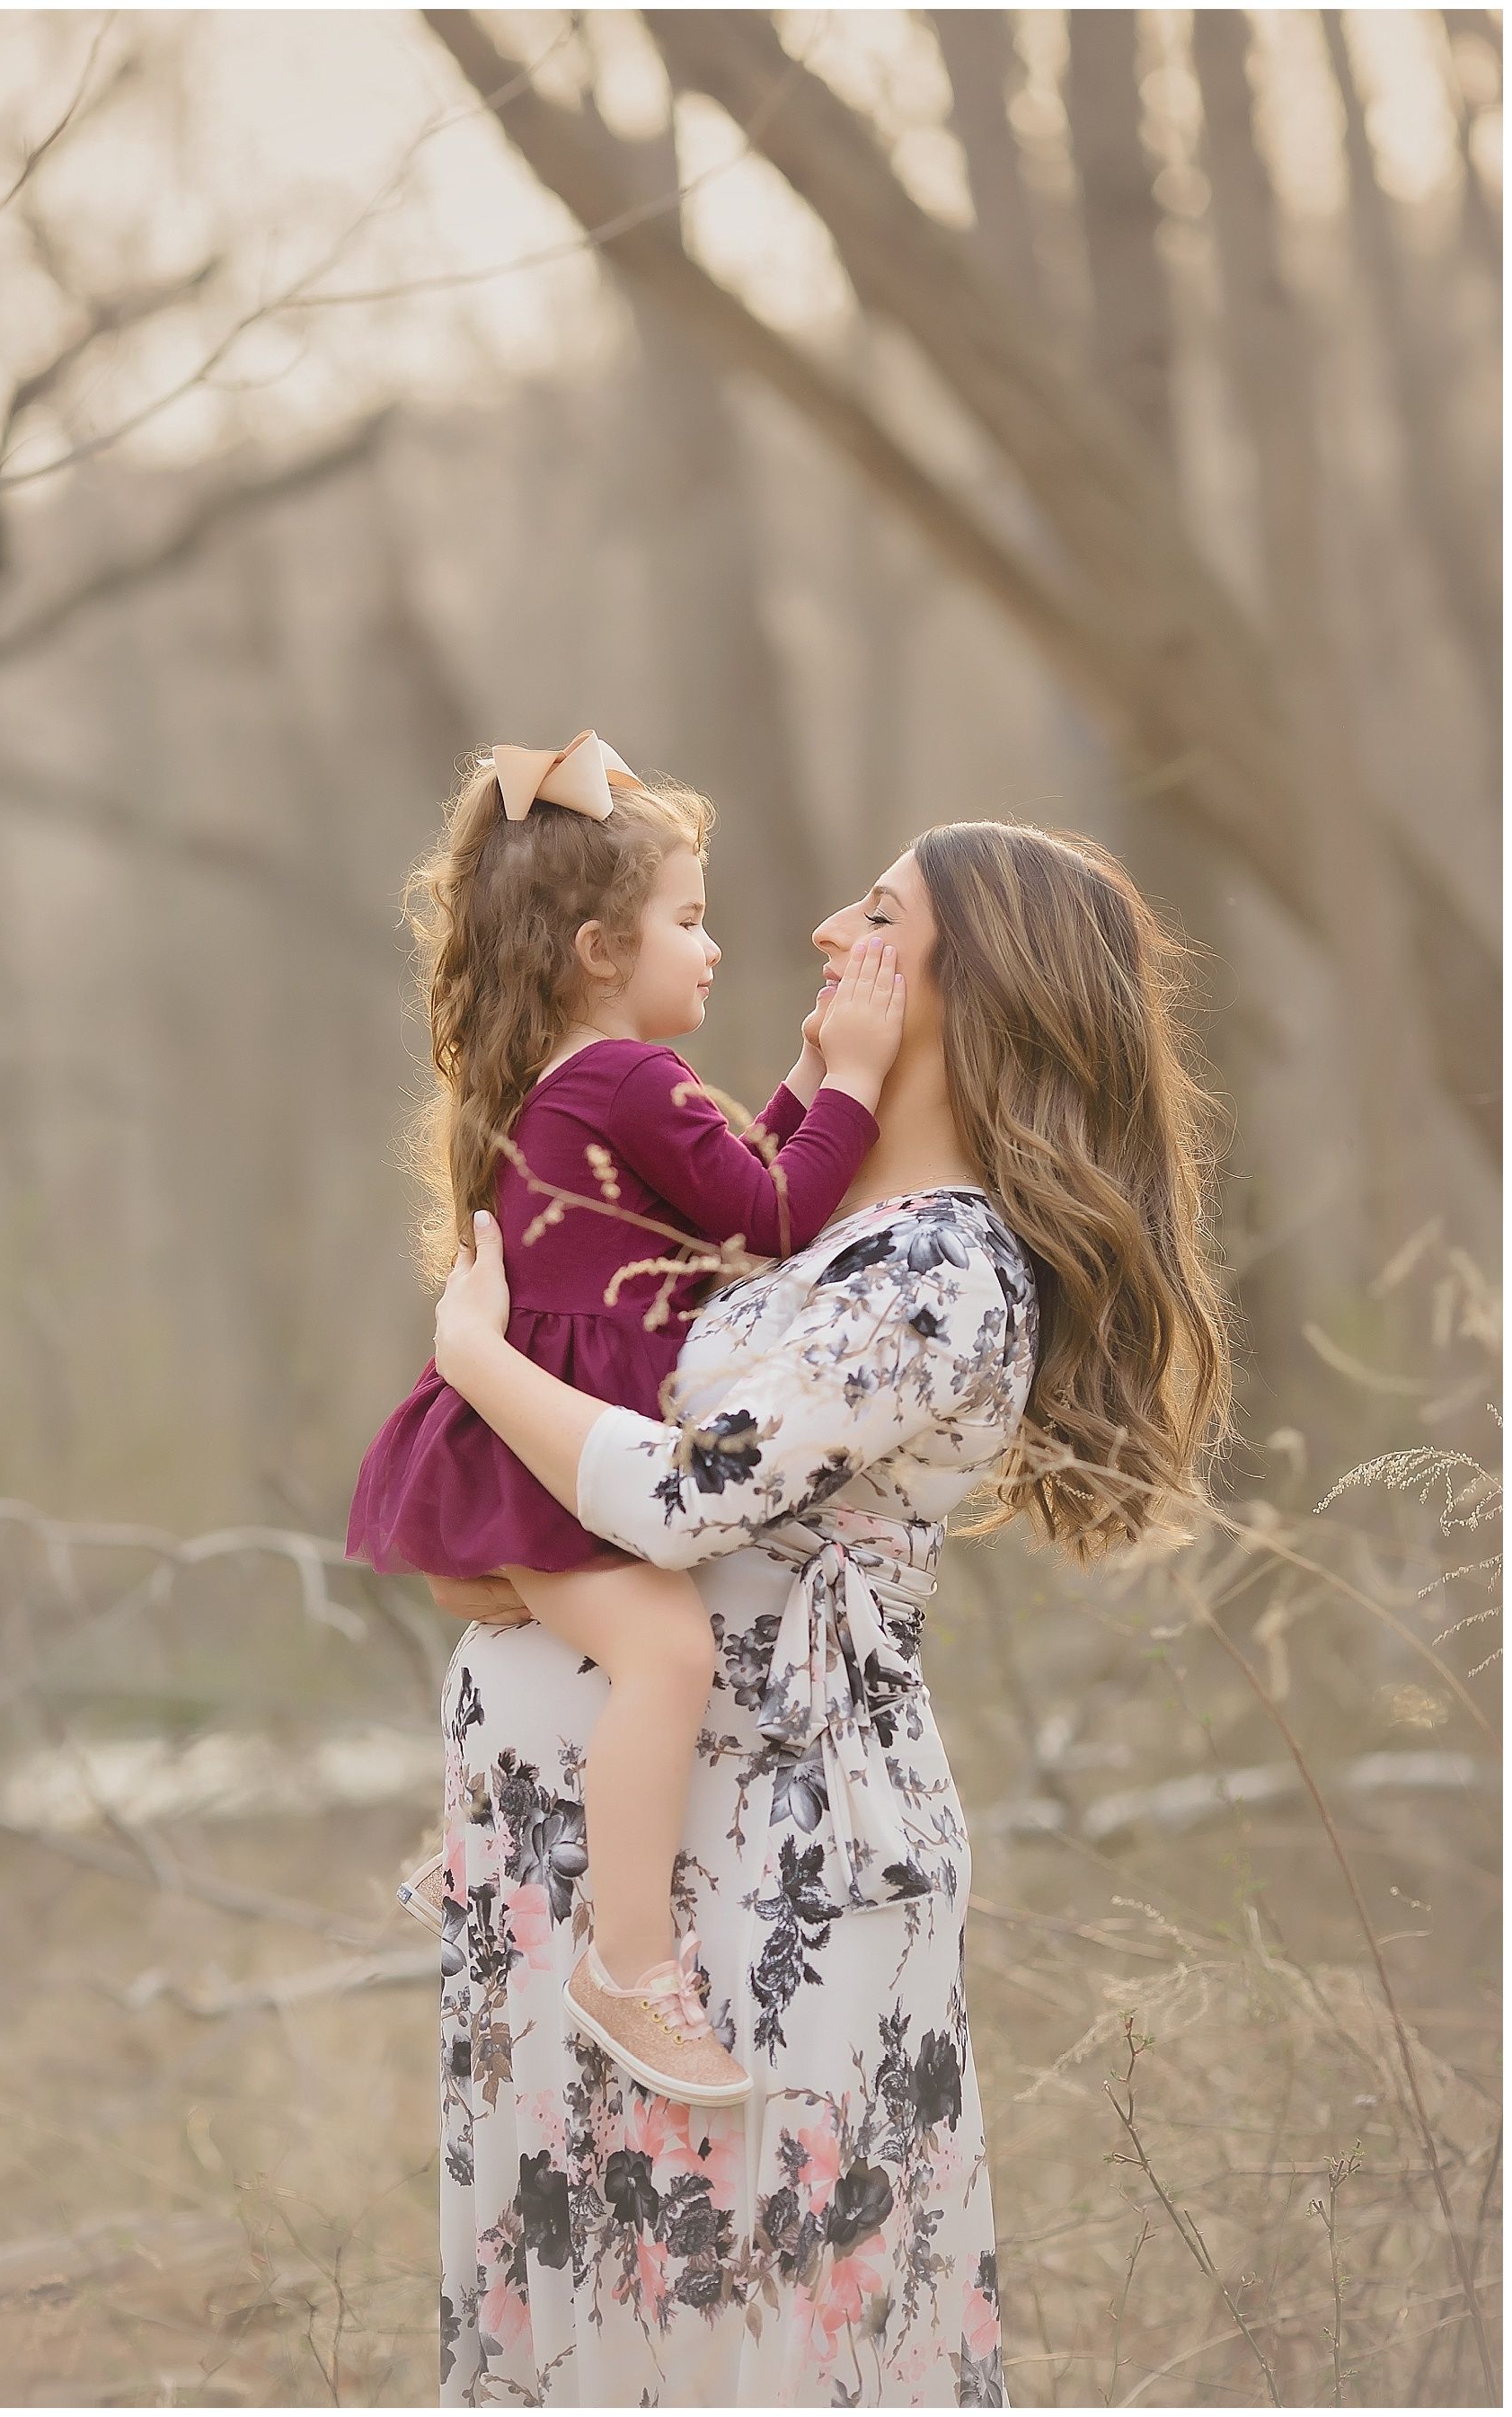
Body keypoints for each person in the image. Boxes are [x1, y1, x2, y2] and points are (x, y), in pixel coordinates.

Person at [423, 820, 1236, 2407]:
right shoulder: (832, 1231)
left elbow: (683, 1494)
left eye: (875, 914)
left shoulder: (943, 1270)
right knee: (600, 2311)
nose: (815, 932)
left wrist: (475, 1362)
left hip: (781, 1862)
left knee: (767, 2307)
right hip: (607, 1861)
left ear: (966, 982)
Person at [346, 730, 905, 2108]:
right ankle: (631, 1965)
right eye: (689, 920)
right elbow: (777, 1216)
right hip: (560, 1460)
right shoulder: (626, 1081)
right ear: (602, 946)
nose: (712, 947)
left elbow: (728, 1205)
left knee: (628, 1657)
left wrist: (806, 1075)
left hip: (533, 1449)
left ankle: (501, 1841)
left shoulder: (587, 1081)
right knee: (666, 1656)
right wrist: (863, 1079)